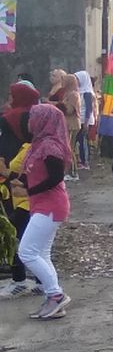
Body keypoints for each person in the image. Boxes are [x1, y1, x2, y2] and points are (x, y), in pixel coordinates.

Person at [16, 104, 73, 319]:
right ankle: (53, 299)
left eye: (33, 117)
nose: (29, 121)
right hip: (43, 204)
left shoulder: (50, 146)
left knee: (27, 252)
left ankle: (56, 295)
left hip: (50, 205)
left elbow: (55, 177)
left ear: (43, 120)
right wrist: (21, 183)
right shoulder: (40, 144)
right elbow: (32, 173)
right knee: (40, 253)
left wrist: (29, 190)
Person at [0, 82, 39, 298]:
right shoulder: (32, 115)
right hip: (22, 175)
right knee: (24, 230)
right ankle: (31, 279)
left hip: (12, 176)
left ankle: (19, 279)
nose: (9, 97)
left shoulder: (12, 116)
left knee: (14, 229)